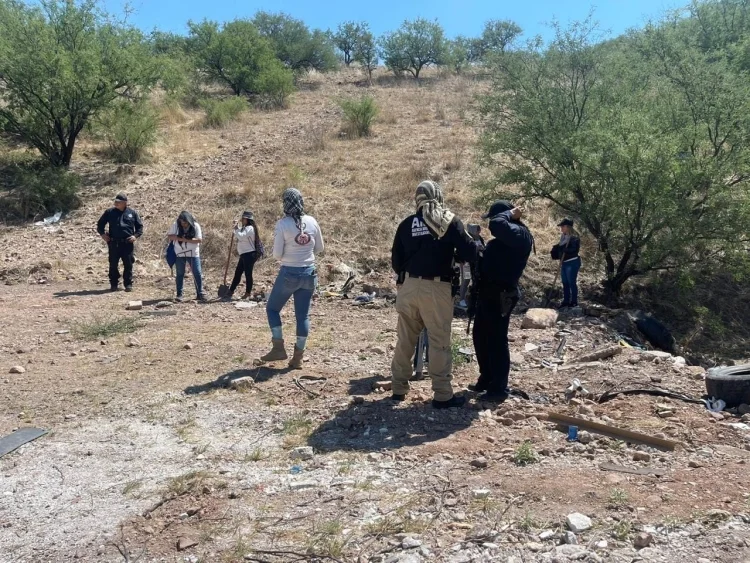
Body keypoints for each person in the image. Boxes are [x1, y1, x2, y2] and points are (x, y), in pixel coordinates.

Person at [390, 180, 477, 409]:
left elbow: (396, 261)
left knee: (405, 339)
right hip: (437, 288)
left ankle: (398, 389)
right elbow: (471, 251)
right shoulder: (448, 221)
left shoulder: (407, 224)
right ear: (438, 196)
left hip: (408, 286)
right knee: (439, 342)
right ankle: (442, 394)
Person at [470, 200, 534, 402]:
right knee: (480, 335)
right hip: (487, 291)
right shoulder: (508, 235)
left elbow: (497, 225)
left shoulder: (520, 234)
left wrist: (510, 214)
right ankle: (487, 378)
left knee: (497, 339)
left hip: (501, 294)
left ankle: (498, 387)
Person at [260, 188, 324, 369]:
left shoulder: (283, 224)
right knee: (302, 316)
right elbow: (319, 248)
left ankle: (278, 347)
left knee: (272, 309)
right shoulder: (312, 221)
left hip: (289, 272)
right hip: (309, 272)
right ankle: (298, 358)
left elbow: (277, 254)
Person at [96, 193, 143, 292]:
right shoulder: (109, 212)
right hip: (114, 243)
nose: (116, 203)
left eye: (118, 202)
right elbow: (100, 224)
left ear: (125, 203)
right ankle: (114, 284)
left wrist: (135, 236)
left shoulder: (132, 213)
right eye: (115, 201)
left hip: (127, 243)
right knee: (113, 264)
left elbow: (139, 227)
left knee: (128, 264)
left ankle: (128, 284)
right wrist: (103, 234)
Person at [167, 211, 207, 302]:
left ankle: (200, 293)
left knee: (197, 273)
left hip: (193, 253)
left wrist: (185, 239)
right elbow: (170, 236)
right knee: (180, 274)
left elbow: (199, 240)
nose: (183, 224)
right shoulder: (176, 225)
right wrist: (179, 238)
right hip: (179, 253)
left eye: (185, 222)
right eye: (182, 222)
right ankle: (179, 294)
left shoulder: (195, 226)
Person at [225, 210, 261, 301]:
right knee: (238, 272)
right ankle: (231, 290)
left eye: (243, 219)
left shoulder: (250, 228)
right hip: (244, 254)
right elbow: (238, 233)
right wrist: (236, 227)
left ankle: (247, 293)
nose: (242, 220)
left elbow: (241, 236)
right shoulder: (245, 228)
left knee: (248, 274)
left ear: (247, 219)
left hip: (249, 254)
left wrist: (236, 228)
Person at [551, 218, 582, 308]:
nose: (561, 228)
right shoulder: (563, 237)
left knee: (571, 282)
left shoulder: (574, 237)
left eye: (562, 226)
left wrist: (566, 250)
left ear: (568, 227)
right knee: (565, 283)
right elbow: (560, 247)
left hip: (572, 263)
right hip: (564, 263)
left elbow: (575, 250)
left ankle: (574, 301)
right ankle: (566, 301)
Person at [459, 224, 485, 309]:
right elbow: (465, 250)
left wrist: (482, 249)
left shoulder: (480, 238)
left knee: (475, 280)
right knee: (466, 279)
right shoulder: (467, 238)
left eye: (479, 229)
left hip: (476, 262)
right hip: (466, 262)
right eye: (477, 230)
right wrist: (476, 248)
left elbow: (483, 248)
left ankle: (471, 299)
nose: (479, 231)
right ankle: (461, 299)